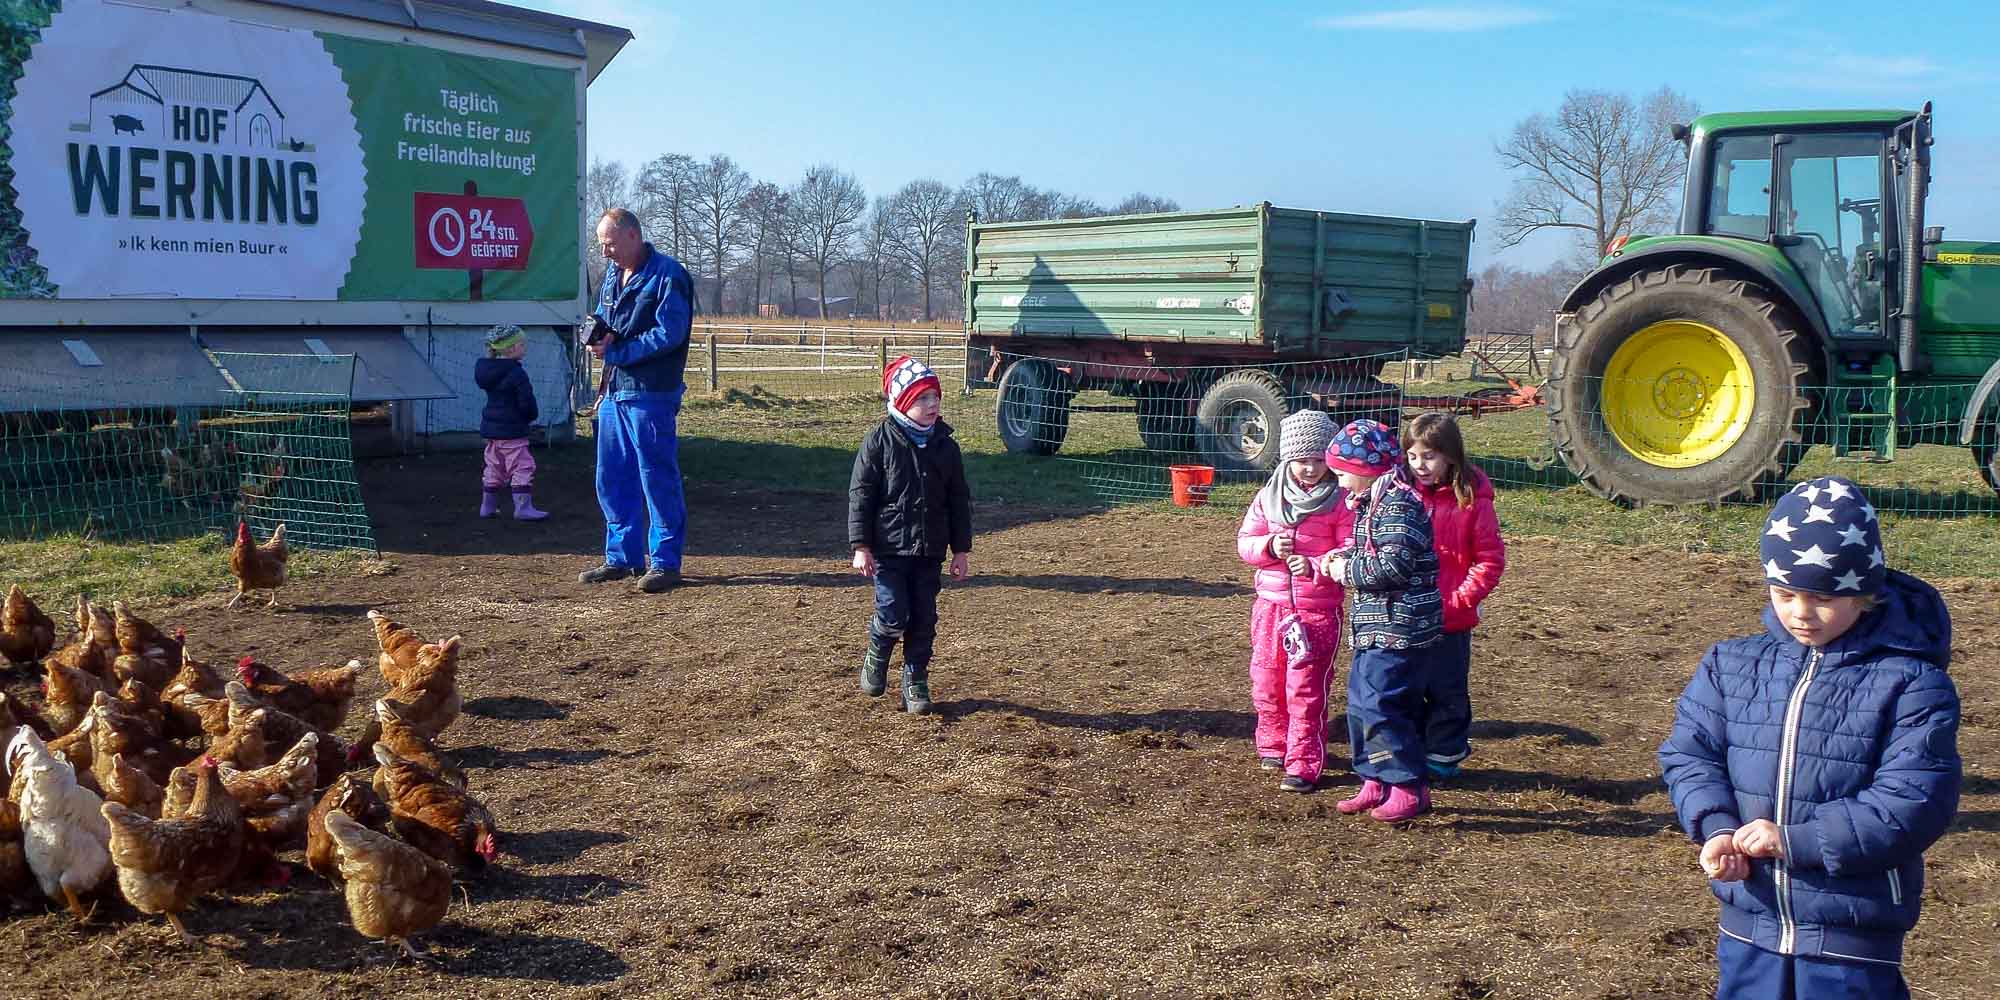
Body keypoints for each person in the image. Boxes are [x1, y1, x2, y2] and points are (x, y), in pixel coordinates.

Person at [1659, 475, 1960, 1000]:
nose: (1801, 612)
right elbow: (1691, 754)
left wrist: (1793, 840)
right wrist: (1716, 826)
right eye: (1785, 593)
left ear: (1864, 594)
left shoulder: (1912, 683)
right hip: (1749, 920)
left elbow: (1913, 800)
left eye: (1822, 596)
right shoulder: (1731, 665)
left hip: (1851, 933)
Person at [1317, 418, 1443, 823]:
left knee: (1384, 705)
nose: (1338, 484)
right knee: (1360, 704)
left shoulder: (1398, 505)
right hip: (1375, 626)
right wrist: (1343, 556)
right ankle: (1374, 777)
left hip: (1399, 628)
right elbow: (1370, 551)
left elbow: (1393, 567)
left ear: (1365, 469)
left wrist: (1345, 572)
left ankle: (1407, 785)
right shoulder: (1373, 503)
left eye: (1340, 474)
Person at [577, 208, 696, 594]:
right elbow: (605, 316)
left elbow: (670, 334)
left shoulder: (669, 275)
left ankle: (664, 563)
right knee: (611, 477)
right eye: (601, 245)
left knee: (656, 477)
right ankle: (622, 557)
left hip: (651, 392)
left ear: (632, 235)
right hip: (615, 390)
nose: (605, 251)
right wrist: (598, 333)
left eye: (609, 243)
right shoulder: (613, 274)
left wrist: (618, 352)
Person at [848, 356, 972, 715]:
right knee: (892, 612)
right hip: (888, 551)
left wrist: (960, 550)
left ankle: (915, 677)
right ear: (903, 403)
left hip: (930, 551)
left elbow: (959, 499)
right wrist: (862, 546)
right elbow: (861, 495)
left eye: (935, 397)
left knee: (923, 619)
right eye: (922, 399)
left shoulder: (946, 447)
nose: (932, 405)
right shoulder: (879, 441)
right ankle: (878, 649)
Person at [1235, 410, 1350, 793]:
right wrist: (1268, 546)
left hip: (1316, 609)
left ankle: (1303, 761)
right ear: (1287, 459)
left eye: (1319, 460)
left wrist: (1317, 564)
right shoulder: (1268, 497)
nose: (1311, 469)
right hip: (1269, 606)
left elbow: (1349, 549)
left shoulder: (1340, 501)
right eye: (1303, 460)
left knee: (1305, 686)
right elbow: (1245, 543)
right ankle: (1272, 742)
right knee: (1267, 678)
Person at [1402, 413, 1504, 779]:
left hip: (1450, 618)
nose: (1419, 466)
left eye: (1428, 456)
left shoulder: (1473, 501)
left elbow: (1489, 561)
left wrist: (1459, 601)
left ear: (1449, 455)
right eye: (1412, 457)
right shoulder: (1403, 495)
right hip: (1408, 615)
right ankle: (1412, 749)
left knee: (1447, 691)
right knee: (1409, 688)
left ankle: (1444, 757)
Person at [473, 324, 547, 522]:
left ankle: (487, 507)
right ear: (512, 348)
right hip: (513, 430)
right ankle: (523, 508)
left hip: (491, 430)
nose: (525, 348)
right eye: (523, 345)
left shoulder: (486, 371)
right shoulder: (516, 373)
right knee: (522, 466)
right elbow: (526, 401)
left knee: (494, 467)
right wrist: (531, 416)